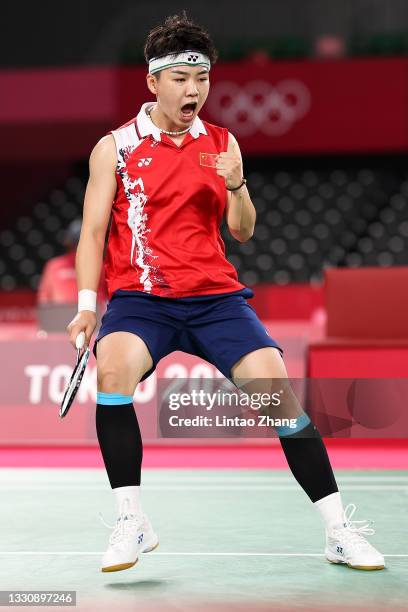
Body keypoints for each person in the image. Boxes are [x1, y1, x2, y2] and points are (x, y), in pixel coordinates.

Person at [66, 12, 384, 573]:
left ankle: (338, 530)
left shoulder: (222, 142)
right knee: (113, 371)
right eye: (182, 79)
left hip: (215, 300)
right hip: (143, 300)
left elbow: (242, 230)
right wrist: (88, 307)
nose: (194, 90)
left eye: (202, 79)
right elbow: (93, 232)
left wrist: (236, 182)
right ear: (153, 82)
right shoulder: (114, 148)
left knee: (278, 398)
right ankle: (131, 520)